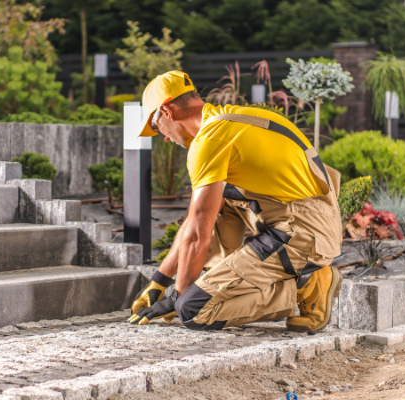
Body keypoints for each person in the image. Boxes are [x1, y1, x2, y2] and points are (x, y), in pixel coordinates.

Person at [128, 71, 343, 333]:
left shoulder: (210, 140)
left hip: (300, 234)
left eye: (154, 125)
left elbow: (198, 236)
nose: (162, 135)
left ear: (166, 111)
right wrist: (159, 281)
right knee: (219, 199)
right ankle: (230, 278)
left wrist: (177, 297)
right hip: (310, 219)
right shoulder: (237, 119)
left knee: (193, 310)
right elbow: (195, 222)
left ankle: (305, 284)